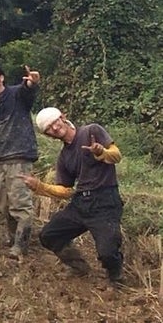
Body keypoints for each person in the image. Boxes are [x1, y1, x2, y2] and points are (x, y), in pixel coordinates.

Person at [20, 107, 124, 284]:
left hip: (105, 201)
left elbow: (117, 155)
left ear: (63, 117)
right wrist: (39, 187)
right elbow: (66, 191)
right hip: (81, 203)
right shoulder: (63, 157)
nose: (54, 128)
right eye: (48, 128)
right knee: (49, 235)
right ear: (47, 135)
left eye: (55, 122)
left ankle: (116, 278)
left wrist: (101, 152)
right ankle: (79, 267)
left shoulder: (91, 131)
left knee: (107, 252)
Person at [0, 61, 40, 258]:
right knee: (5, 204)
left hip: (18, 156)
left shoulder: (15, 94)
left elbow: (27, 91)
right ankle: (13, 237)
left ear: (1, 77)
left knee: (20, 203)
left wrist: (32, 83)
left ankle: (21, 245)